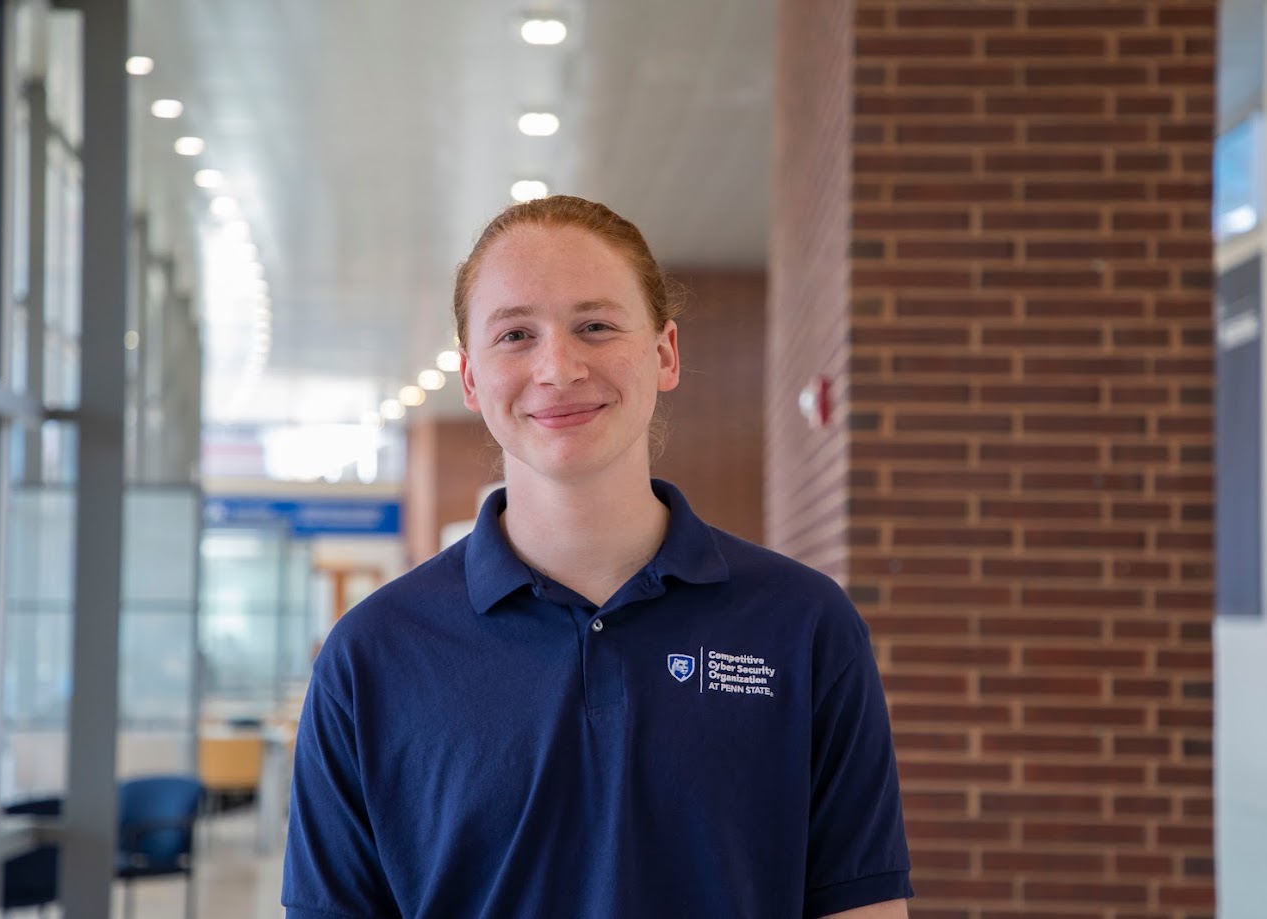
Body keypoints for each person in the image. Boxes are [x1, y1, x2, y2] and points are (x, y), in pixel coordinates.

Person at [282, 195, 912, 918]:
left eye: (595, 326)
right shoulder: (372, 656)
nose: (558, 367)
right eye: (516, 334)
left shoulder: (803, 625)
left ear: (665, 353)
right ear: (471, 379)